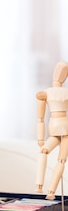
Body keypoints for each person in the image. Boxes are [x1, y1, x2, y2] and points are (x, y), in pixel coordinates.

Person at [35, 60, 68, 200]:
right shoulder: (47, 93)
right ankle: (40, 186)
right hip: (59, 128)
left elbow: (40, 119)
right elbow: (40, 118)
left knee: (59, 160)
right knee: (50, 155)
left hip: (63, 129)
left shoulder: (47, 93)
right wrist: (40, 138)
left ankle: (49, 190)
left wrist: (41, 138)